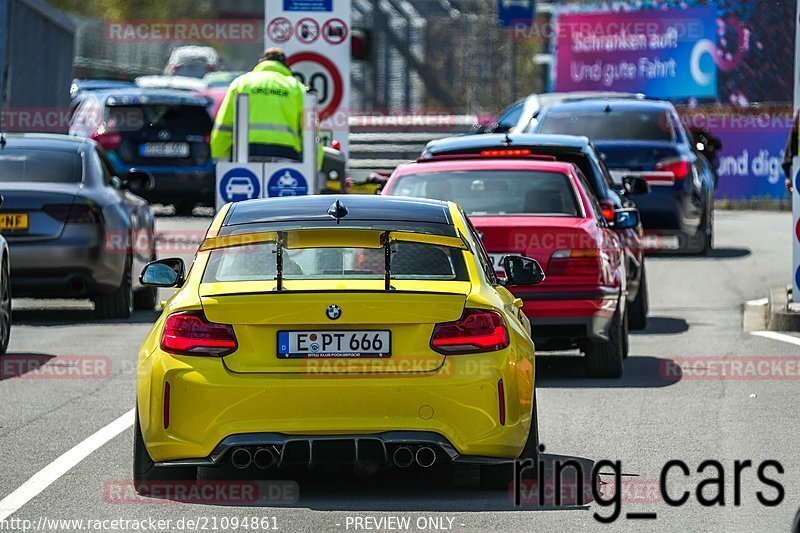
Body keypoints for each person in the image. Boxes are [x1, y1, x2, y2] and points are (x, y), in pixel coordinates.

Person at [211, 48, 306, 162]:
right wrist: (315, 165)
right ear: (285, 65)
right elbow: (309, 130)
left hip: (245, 153)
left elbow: (224, 126)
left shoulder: (241, 83)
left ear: (261, 62)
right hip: (286, 154)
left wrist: (220, 159)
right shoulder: (296, 88)